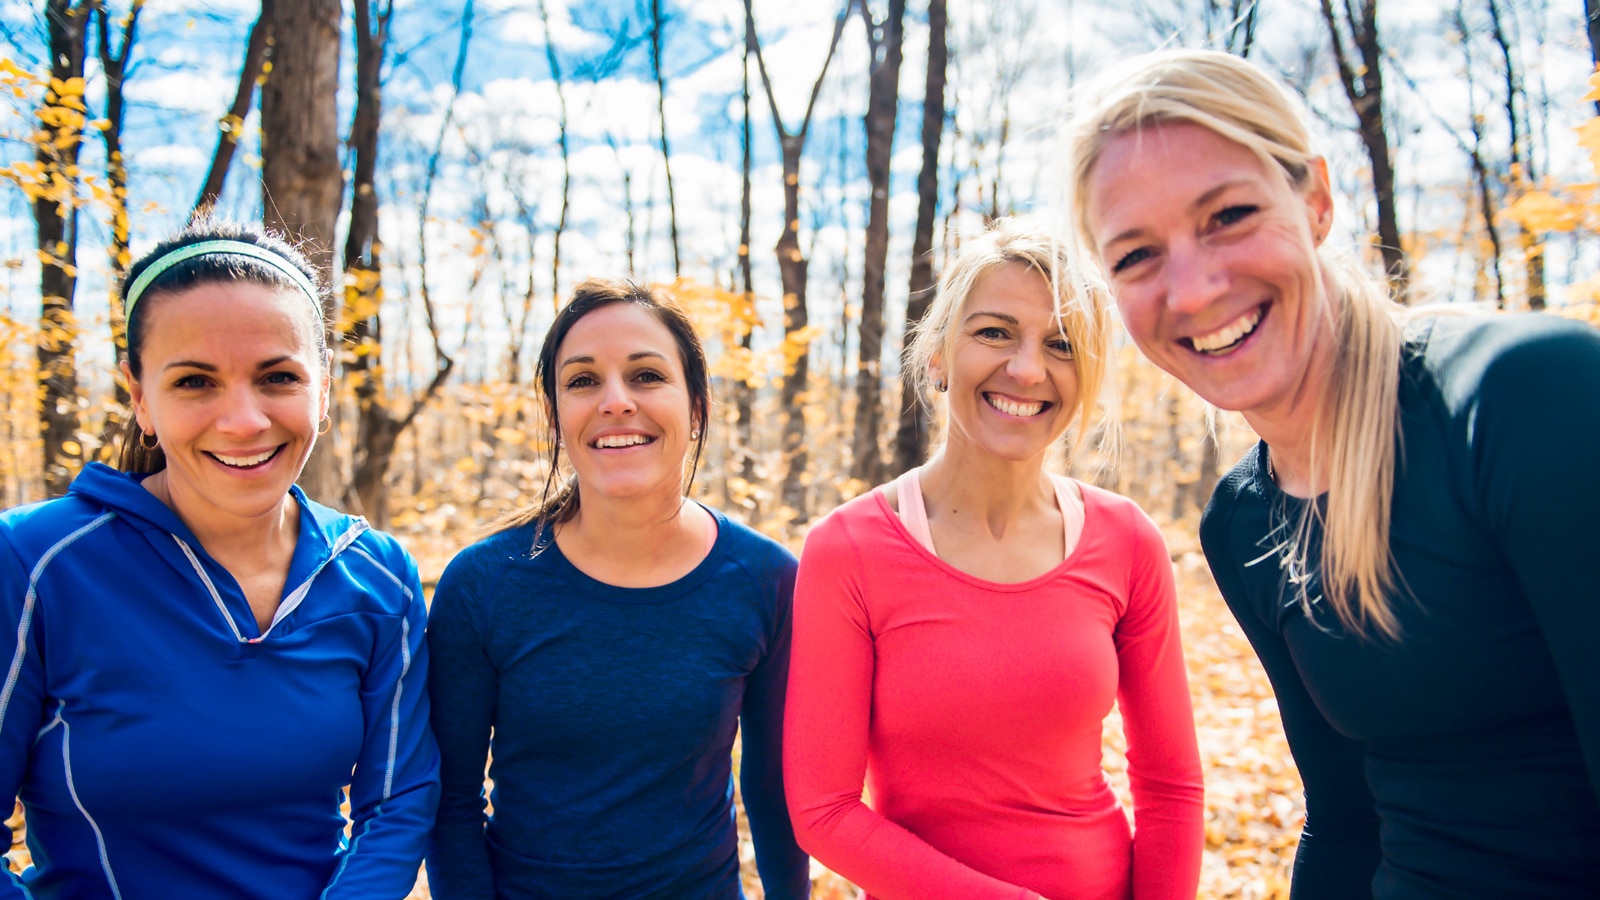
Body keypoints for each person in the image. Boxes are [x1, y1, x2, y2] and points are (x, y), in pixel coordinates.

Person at [1065, 48, 1600, 899]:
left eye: (1229, 214)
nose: (1195, 290)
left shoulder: (1520, 400)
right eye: (1135, 256)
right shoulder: (1240, 523)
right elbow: (1347, 821)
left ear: (1314, 199)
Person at [0, 222, 439, 899]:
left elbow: (398, 805)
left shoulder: (377, 575)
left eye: (278, 377)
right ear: (139, 394)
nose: (243, 420)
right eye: (196, 381)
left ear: (321, 390)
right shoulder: (33, 563)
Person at [784, 218, 1204, 900]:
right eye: (994, 332)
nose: (1028, 368)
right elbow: (823, 810)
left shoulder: (1127, 539)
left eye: (1061, 345)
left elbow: (1170, 786)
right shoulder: (849, 549)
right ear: (940, 354)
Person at [425, 279, 809, 900]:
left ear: (697, 404)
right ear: (555, 416)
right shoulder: (484, 585)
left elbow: (773, 791)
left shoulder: (764, 580)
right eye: (582, 381)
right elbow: (451, 803)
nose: (615, 401)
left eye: (647, 375)